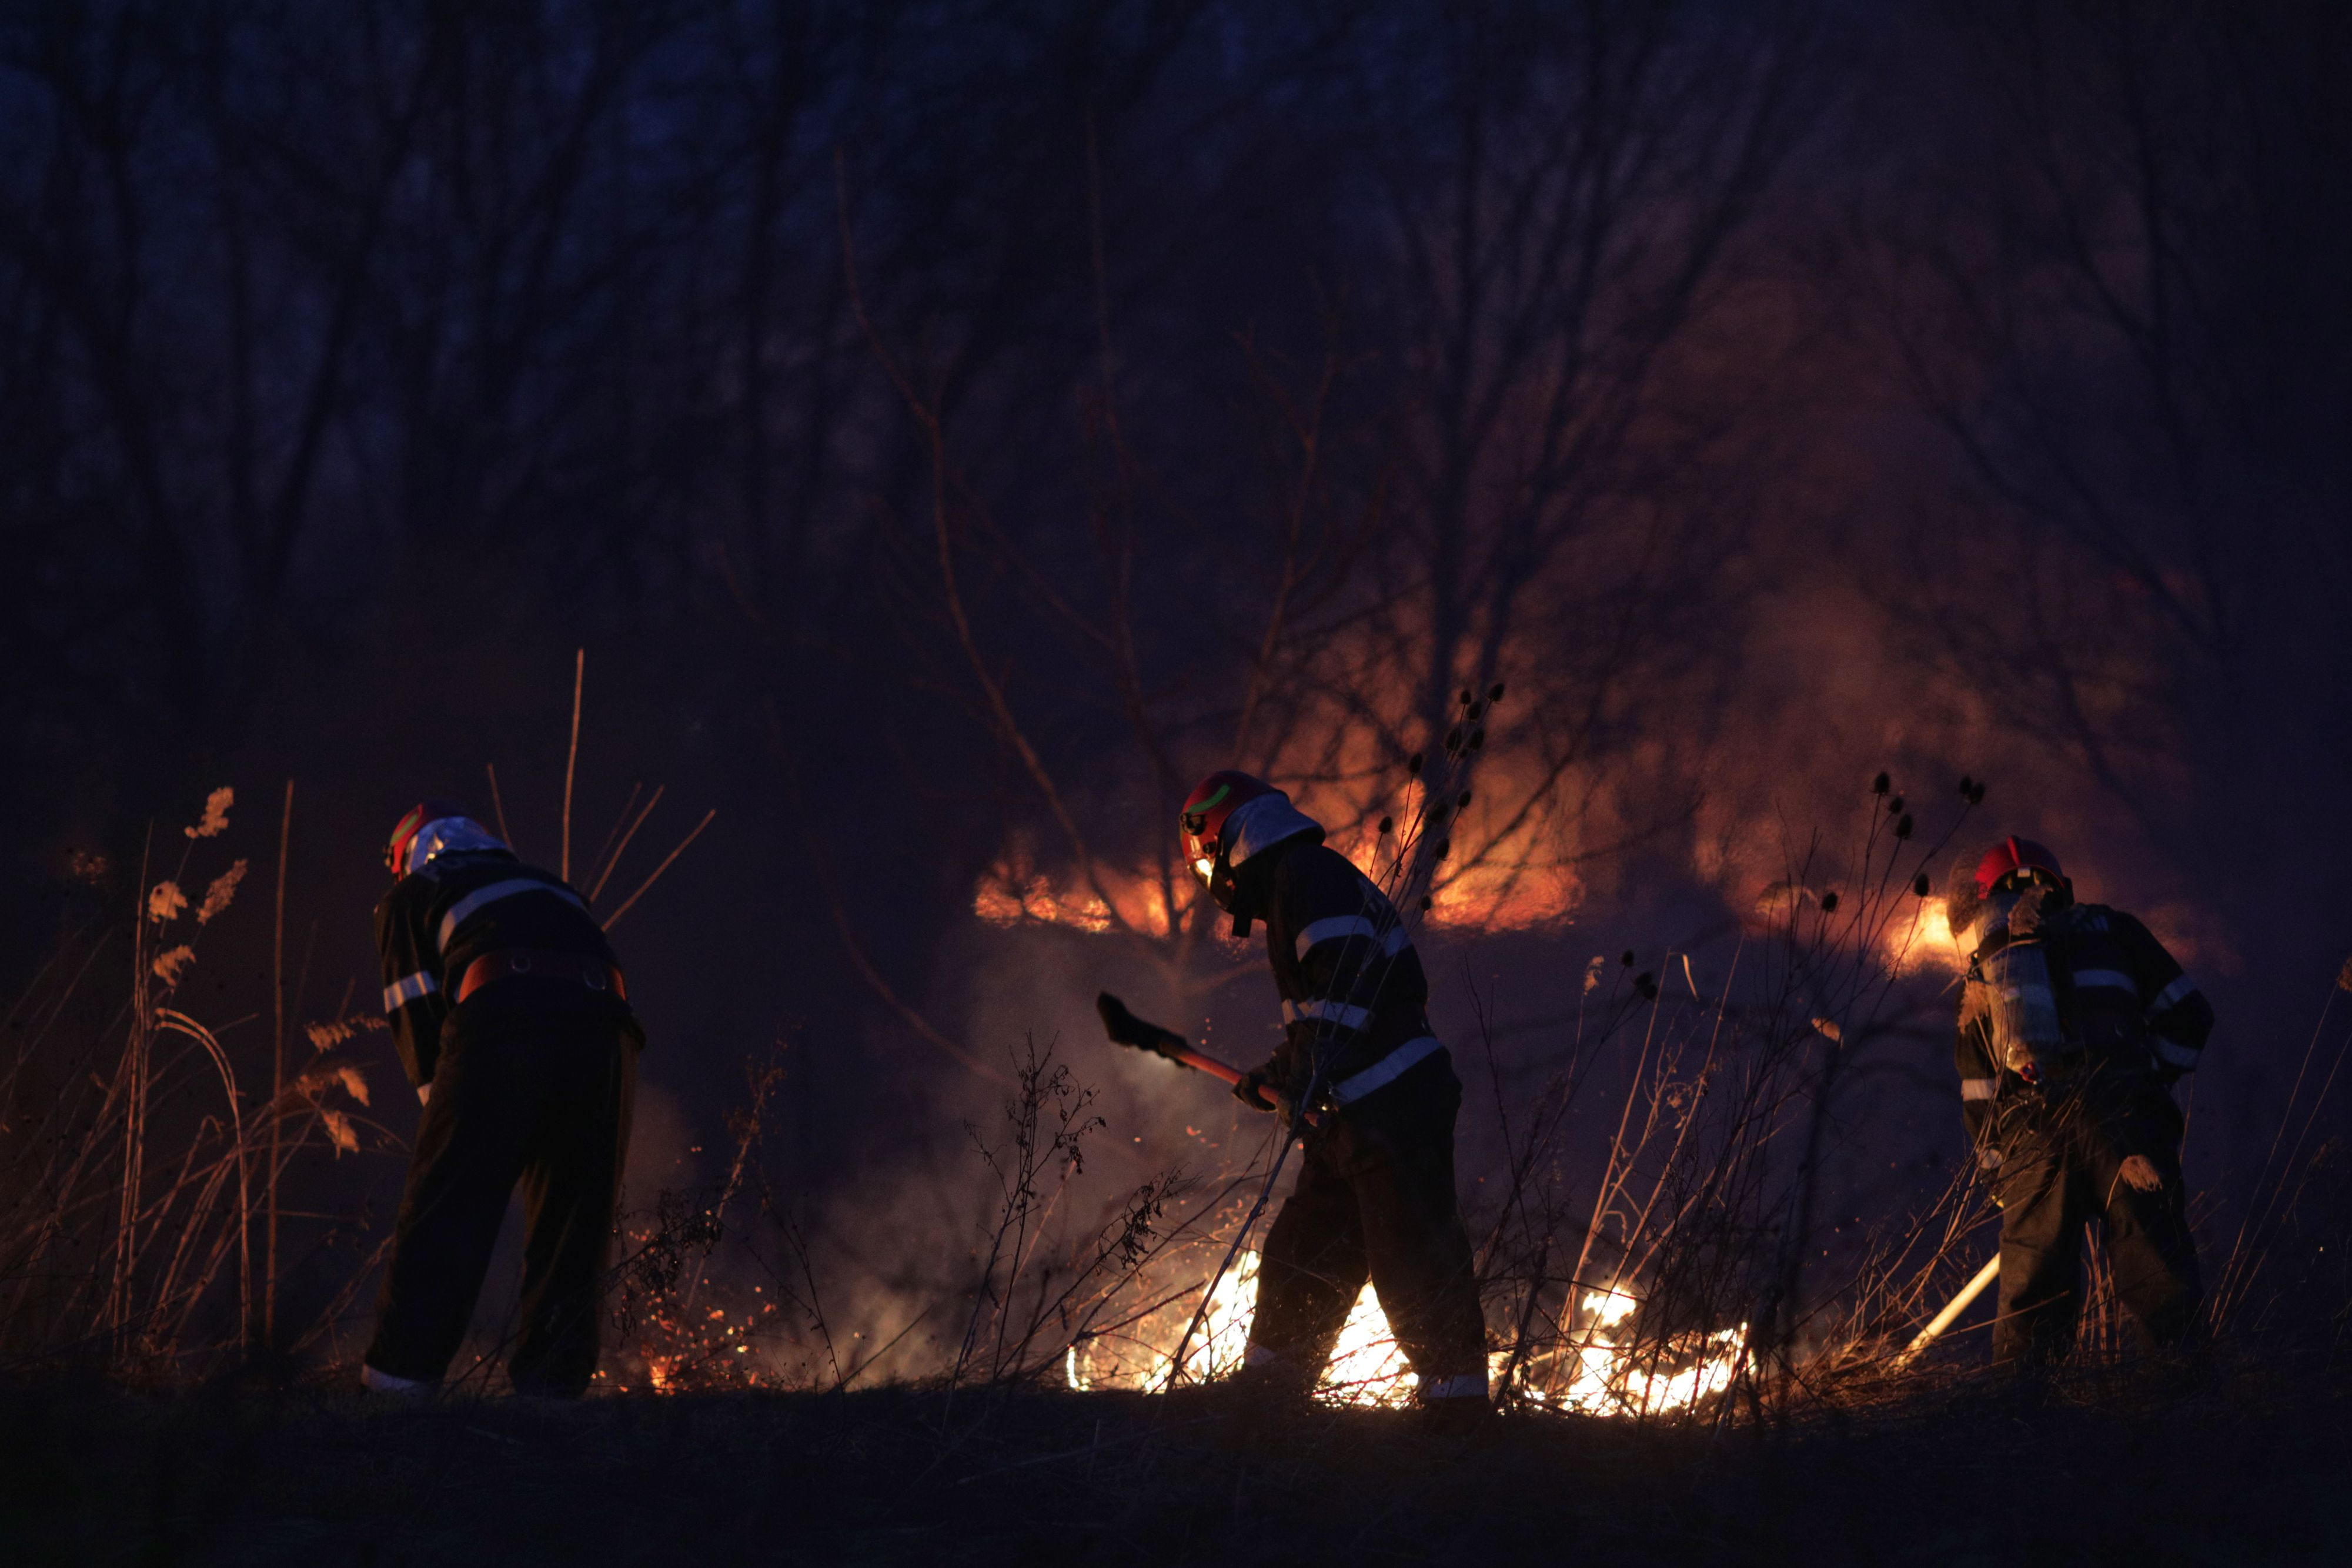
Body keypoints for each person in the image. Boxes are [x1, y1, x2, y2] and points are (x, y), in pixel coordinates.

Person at [1178, 770, 1488, 1420]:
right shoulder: (1301, 880)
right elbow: (1319, 1012)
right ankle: (1270, 1400)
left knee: (1412, 1257)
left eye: (1207, 862)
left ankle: (1457, 1415)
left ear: (1226, 844)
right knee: (1305, 1251)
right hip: (1351, 1113)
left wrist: (1306, 1071)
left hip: (1393, 1105)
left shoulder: (1305, 876)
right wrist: (1275, 1073)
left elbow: (1344, 982)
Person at [360, 802, 641, 1398]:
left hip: (502, 1015)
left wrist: (453, 1122)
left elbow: (415, 1011)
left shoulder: (415, 893)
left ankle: (397, 1385)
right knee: (574, 1220)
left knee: (447, 1209)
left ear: (409, 854)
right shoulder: (555, 888)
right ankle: (553, 1390)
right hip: (606, 1030)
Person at [1947, 835, 2210, 1369]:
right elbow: (2191, 1016)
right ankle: (2186, 1416)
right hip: (2128, 1123)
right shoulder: (2115, 931)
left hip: (2035, 1136)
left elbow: (1979, 1089)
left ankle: (2025, 1429)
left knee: (2033, 1301)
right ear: (2060, 887)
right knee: (2159, 1274)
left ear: (1983, 899)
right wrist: (2147, 1079)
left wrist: (2002, 1173)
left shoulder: (1987, 966)